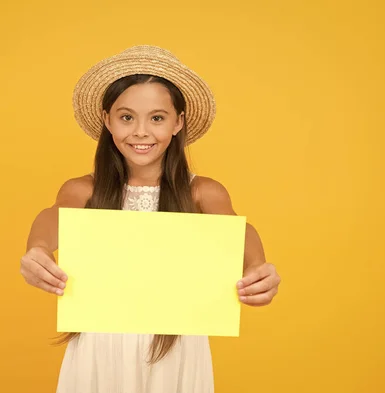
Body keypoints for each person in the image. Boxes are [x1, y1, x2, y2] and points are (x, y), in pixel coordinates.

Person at [20, 45, 281, 393]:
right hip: (100, 348)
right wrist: (37, 248)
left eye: (157, 118)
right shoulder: (83, 190)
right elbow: (54, 217)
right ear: (106, 119)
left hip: (176, 350)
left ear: (178, 123)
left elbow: (239, 230)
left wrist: (257, 268)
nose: (141, 131)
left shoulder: (203, 193)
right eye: (127, 117)